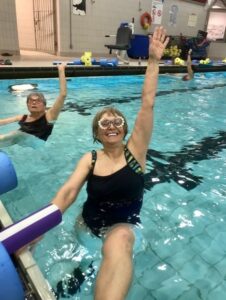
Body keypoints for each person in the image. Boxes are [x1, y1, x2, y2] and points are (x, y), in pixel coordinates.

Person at [49, 26, 169, 300]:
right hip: (86, 226)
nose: (112, 125)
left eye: (118, 121)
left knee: (121, 242)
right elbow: (68, 193)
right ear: (97, 133)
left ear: (125, 130)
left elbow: (147, 103)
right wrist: (41, 226)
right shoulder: (90, 159)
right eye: (105, 122)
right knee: (89, 262)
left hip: (122, 227)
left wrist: (153, 61)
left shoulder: (135, 152)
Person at [0, 64, 67, 142]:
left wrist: (61, 69)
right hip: (19, 140)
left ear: (44, 106)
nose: (34, 103)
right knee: (17, 134)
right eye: (31, 101)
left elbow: (63, 95)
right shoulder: (23, 118)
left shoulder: (49, 117)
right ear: (27, 105)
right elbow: (3, 122)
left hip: (34, 143)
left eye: (38, 101)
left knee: (17, 134)